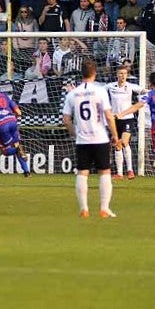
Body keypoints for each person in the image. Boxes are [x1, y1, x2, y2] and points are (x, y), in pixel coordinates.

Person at [62, 61, 119, 218]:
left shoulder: (72, 93)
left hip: (82, 139)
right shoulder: (100, 91)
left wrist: (74, 133)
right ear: (95, 73)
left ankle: (84, 209)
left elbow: (66, 119)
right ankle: (104, 209)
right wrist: (115, 135)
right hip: (100, 137)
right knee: (105, 172)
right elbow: (108, 115)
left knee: (82, 173)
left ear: (82, 74)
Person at [105, 65, 144, 180]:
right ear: (117, 74)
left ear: (127, 75)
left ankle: (130, 170)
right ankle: (120, 173)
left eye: (124, 74)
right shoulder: (110, 86)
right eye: (120, 73)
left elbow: (144, 90)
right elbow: (97, 90)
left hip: (128, 118)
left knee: (124, 141)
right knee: (118, 144)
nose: (122, 76)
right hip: (115, 119)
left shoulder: (130, 86)